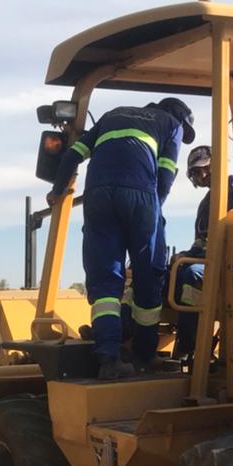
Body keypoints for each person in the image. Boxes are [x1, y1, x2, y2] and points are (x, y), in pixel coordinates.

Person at [48, 97, 195, 379]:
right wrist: (153, 212)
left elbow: (72, 155)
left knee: (106, 281)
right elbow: (165, 175)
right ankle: (144, 353)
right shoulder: (171, 124)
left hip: (98, 196)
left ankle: (108, 359)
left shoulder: (112, 115)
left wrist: (57, 191)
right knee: (148, 276)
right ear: (177, 115)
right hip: (141, 196)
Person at [172, 145, 233, 362]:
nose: (202, 175)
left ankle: (191, 346)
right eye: (196, 172)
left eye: (205, 168)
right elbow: (200, 244)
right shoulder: (205, 206)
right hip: (212, 263)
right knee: (174, 271)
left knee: (192, 276)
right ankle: (132, 337)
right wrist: (183, 255)